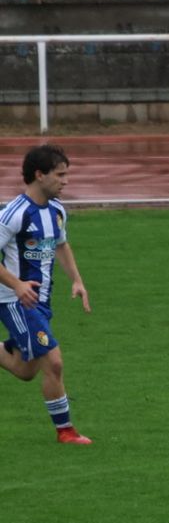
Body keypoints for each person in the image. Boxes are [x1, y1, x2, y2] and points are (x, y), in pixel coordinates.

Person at [0, 144, 93, 445]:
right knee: (53, 362)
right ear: (39, 175)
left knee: (26, 370)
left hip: (42, 303)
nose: (66, 181)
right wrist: (16, 284)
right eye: (60, 175)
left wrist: (77, 281)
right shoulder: (13, 214)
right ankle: (66, 431)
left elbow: (61, 246)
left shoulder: (56, 211)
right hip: (15, 301)